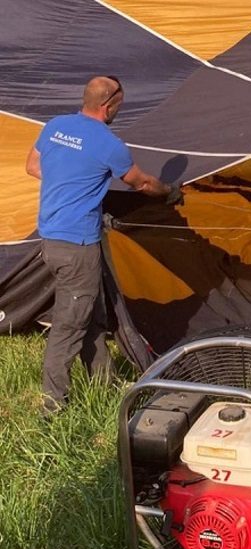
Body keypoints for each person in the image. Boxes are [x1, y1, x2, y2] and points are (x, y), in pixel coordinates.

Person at [25, 75, 184, 418]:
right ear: (107, 105)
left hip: (51, 240)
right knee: (69, 325)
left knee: (88, 314)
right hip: (77, 247)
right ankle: (52, 408)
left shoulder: (55, 126)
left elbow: (33, 166)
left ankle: (103, 384)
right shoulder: (109, 143)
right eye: (119, 106)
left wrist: (70, 184)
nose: (118, 112)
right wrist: (170, 192)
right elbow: (142, 183)